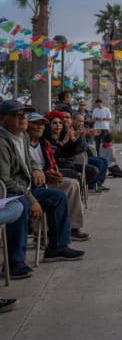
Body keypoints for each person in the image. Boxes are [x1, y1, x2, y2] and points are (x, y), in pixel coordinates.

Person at [0, 100, 85, 275]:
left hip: (27, 187)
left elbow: (29, 160)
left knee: (58, 197)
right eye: (17, 115)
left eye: (24, 115)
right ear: (2, 119)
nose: (22, 119)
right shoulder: (2, 142)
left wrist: (38, 169)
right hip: (10, 193)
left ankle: (57, 246)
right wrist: (32, 200)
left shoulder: (22, 136)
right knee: (22, 205)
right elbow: (5, 180)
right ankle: (15, 262)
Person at [27, 112, 89, 241]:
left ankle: (73, 227)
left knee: (72, 183)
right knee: (59, 195)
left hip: (48, 178)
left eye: (41, 124)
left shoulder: (43, 143)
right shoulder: (22, 143)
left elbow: (75, 151)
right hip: (29, 185)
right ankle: (47, 234)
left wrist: (54, 173)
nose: (39, 127)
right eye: (35, 124)